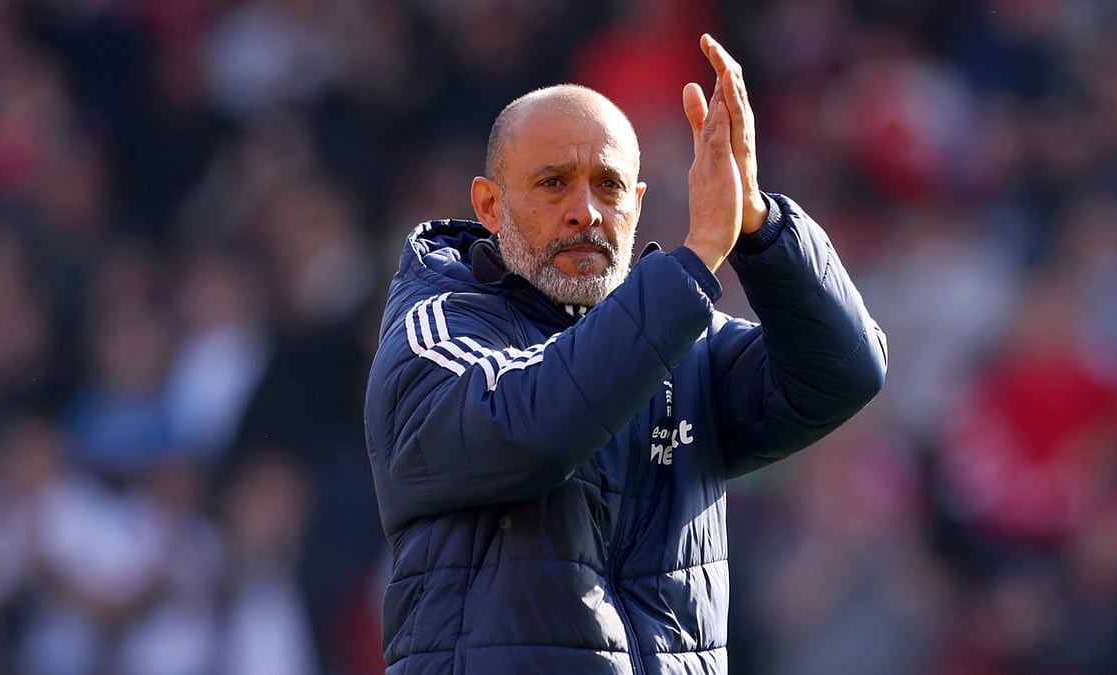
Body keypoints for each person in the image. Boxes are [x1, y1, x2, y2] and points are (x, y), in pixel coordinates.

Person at [364, 33, 887, 674]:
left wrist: (758, 224)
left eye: (608, 186)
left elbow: (844, 371)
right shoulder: (434, 334)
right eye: (553, 184)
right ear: (489, 205)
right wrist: (693, 262)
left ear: (637, 207)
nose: (584, 212)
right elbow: (536, 429)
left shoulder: (679, 341)